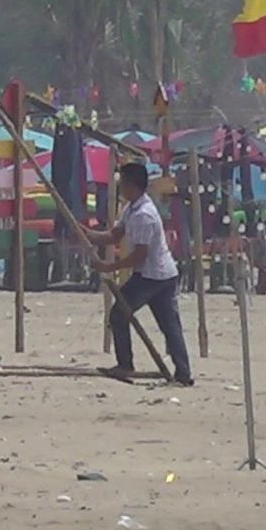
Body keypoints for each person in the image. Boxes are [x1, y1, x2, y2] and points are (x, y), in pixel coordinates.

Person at [83, 162, 193, 385]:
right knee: (165, 324)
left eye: (122, 183)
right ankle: (177, 372)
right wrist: (88, 235)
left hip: (155, 277)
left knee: (125, 316)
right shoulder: (131, 208)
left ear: (133, 186)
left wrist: (108, 268)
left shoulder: (144, 215)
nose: (120, 187)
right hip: (151, 274)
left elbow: (139, 256)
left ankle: (133, 366)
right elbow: (115, 236)